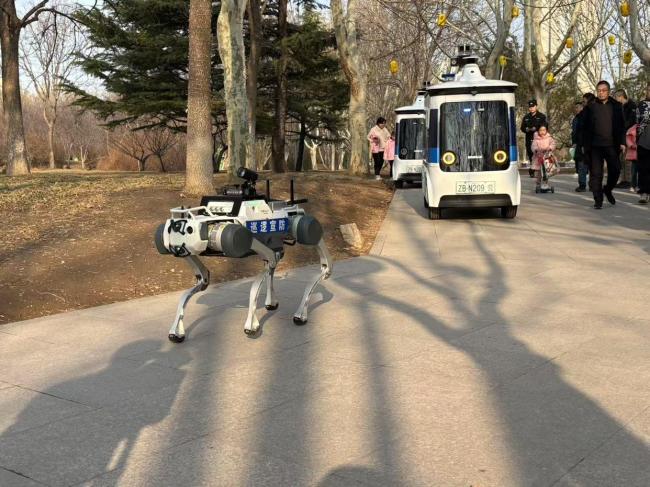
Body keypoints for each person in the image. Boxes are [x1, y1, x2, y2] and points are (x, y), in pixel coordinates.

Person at [580, 80, 626, 209]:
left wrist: (623, 142)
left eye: (603, 90)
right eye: (599, 91)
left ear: (609, 91)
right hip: (595, 146)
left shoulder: (616, 106)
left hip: (612, 144)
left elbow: (622, 125)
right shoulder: (590, 107)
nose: (601, 93)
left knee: (615, 170)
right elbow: (583, 127)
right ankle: (598, 199)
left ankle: (608, 189)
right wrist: (584, 144)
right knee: (596, 174)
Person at [614, 89, 638, 188]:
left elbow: (631, 121)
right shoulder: (620, 107)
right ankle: (623, 179)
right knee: (622, 158)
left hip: (629, 135)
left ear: (621, 96)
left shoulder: (632, 106)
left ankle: (628, 180)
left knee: (628, 159)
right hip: (622, 135)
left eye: (616, 97)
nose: (615, 99)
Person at [520, 99, 547, 178]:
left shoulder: (541, 116)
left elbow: (545, 127)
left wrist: (537, 129)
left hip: (539, 139)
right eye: (530, 107)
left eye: (533, 106)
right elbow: (522, 127)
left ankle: (542, 171)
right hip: (529, 139)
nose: (531, 108)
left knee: (540, 155)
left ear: (536, 106)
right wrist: (526, 129)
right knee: (531, 155)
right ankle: (533, 170)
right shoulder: (526, 117)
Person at [531, 124, 556, 191]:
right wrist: (536, 150)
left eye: (544, 130)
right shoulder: (536, 139)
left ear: (546, 131)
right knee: (539, 172)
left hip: (547, 157)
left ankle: (546, 184)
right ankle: (538, 184)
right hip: (538, 157)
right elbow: (533, 146)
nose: (542, 132)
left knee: (546, 172)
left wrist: (550, 148)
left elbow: (553, 144)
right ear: (538, 131)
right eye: (540, 130)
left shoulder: (549, 138)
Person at [636, 83, 650, 204]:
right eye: (648, 90)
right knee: (643, 168)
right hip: (644, 141)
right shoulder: (641, 105)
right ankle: (644, 192)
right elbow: (637, 122)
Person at [572, 100, 585, 191]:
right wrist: (574, 142)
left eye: (578, 107)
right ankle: (582, 184)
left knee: (583, 165)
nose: (576, 109)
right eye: (575, 108)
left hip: (585, 143)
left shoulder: (585, 118)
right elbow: (574, 132)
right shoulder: (575, 118)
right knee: (580, 165)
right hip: (578, 144)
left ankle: (585, 184)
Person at [625, 123, 639, 193]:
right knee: (634, 171)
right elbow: (628, 138)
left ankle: (640, 186)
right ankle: (633, 185)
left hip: (645, 152)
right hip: (635, 153)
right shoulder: (633, 128)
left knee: (643, 171)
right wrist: (631, 145)